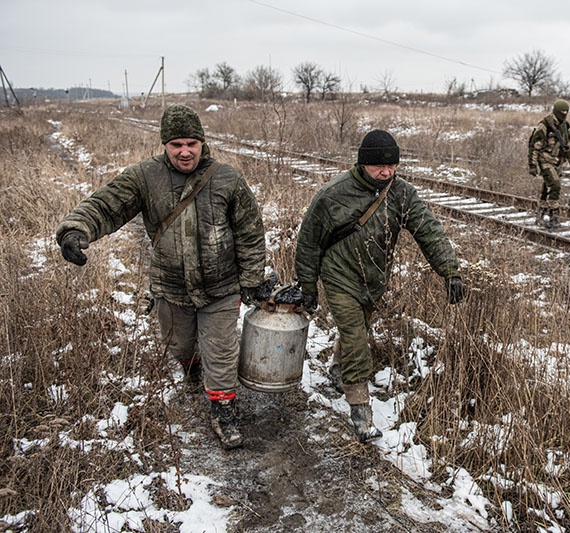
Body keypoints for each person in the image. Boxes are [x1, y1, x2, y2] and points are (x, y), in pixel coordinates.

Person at [56, 104, 274, 450]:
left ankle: (223, 409)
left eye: (191, 143)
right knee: (181, 347)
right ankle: (191, 370)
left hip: (221, 286)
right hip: (171, 287)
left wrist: (250, 278)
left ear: (202, 142)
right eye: (176, 144)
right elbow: (106, 205)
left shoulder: (227, 178)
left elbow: (250, 230)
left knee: (220, 351)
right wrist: (75, 229)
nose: (185, 151)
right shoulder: (145, 177)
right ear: (164, 145)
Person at [294, 129, 466, 443]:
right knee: (358, 340)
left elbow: (428, 230)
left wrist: (450, 272)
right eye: (378, 166)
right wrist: (307, 285)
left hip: (373, 279)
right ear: (362, 164)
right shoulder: (334, 194)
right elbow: (308, 242)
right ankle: (361, 414)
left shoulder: (401, 193)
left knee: (357, 329)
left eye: (391, 166)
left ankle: (336, 368)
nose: (385, 172)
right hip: (339, 275)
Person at [528, 99, 570, 229]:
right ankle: (553, 215)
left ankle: (541, 214)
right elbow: (534, 146)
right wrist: (532, 165)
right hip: (545, 160)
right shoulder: (545, 125)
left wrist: (569, 150)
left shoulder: (565, 126)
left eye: (566, 111)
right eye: (562, 111)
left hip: (558, 161)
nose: (564, 114)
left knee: (547, 187)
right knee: (555, 186)